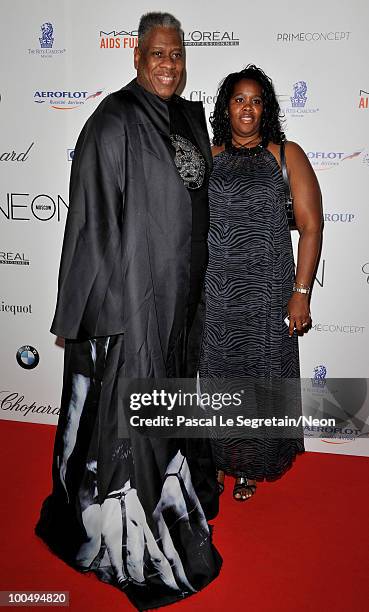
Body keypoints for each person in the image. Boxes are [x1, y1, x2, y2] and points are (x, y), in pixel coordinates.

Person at [35, 12, 222, 610]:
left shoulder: (190, 118)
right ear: (137, 56)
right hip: (134, 299)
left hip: (182, 298)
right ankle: (125, 524)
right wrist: (93, 314)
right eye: (157, 54)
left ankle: (173, 484)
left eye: (177, 55)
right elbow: (89, 221)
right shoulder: (113, 119)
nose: (168, 64)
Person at [199, 65, 322, 501]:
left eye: (255, 100)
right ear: (226, 108)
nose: (247, 108)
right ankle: (215, 463)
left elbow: (311, 227)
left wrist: (300, 293)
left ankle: (248, 466)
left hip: (268, 293)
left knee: (260, 378)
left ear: (265, 108)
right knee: (218, 379)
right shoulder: (208, 157)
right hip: (216, 294)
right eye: (238, 100)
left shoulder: (285, 155)